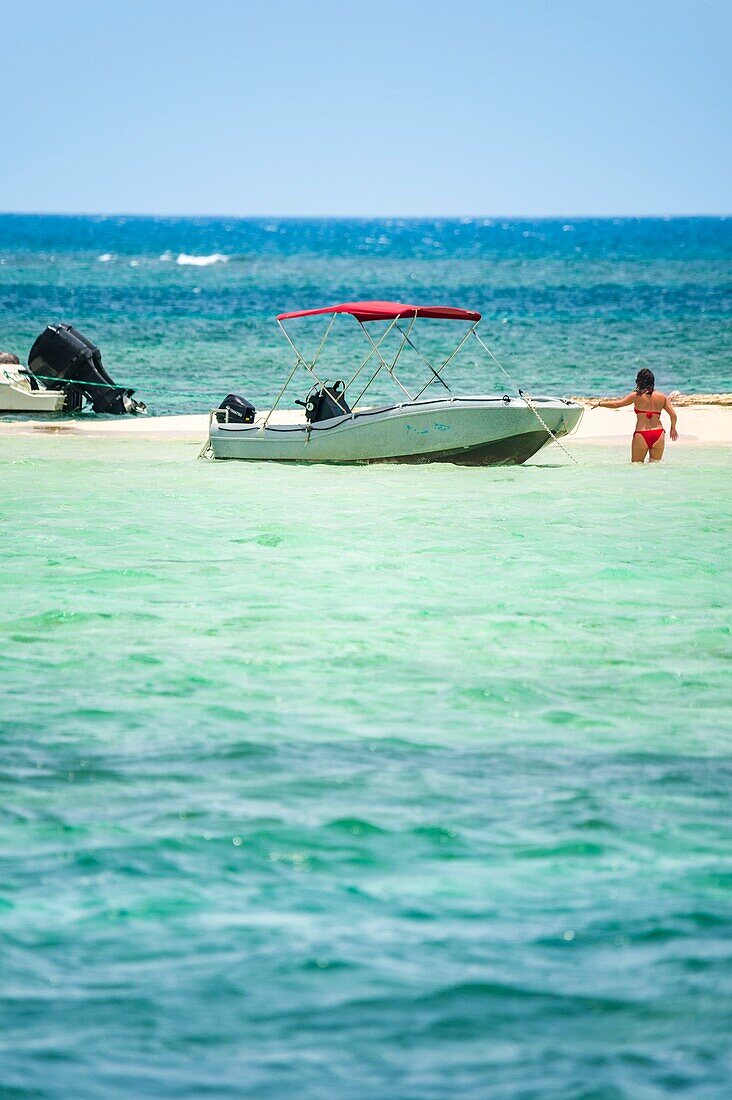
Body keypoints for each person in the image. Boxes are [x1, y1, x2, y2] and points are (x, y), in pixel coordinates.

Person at [591, 368, 678, 463]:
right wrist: (673, 428)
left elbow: (617, 404)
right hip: (658, 433)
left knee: (636, 465)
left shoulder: (636, 395)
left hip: (642, 433)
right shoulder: (662, 397)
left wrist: (600, 404)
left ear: (639, 381)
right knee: (656, 466)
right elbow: (673, 415)